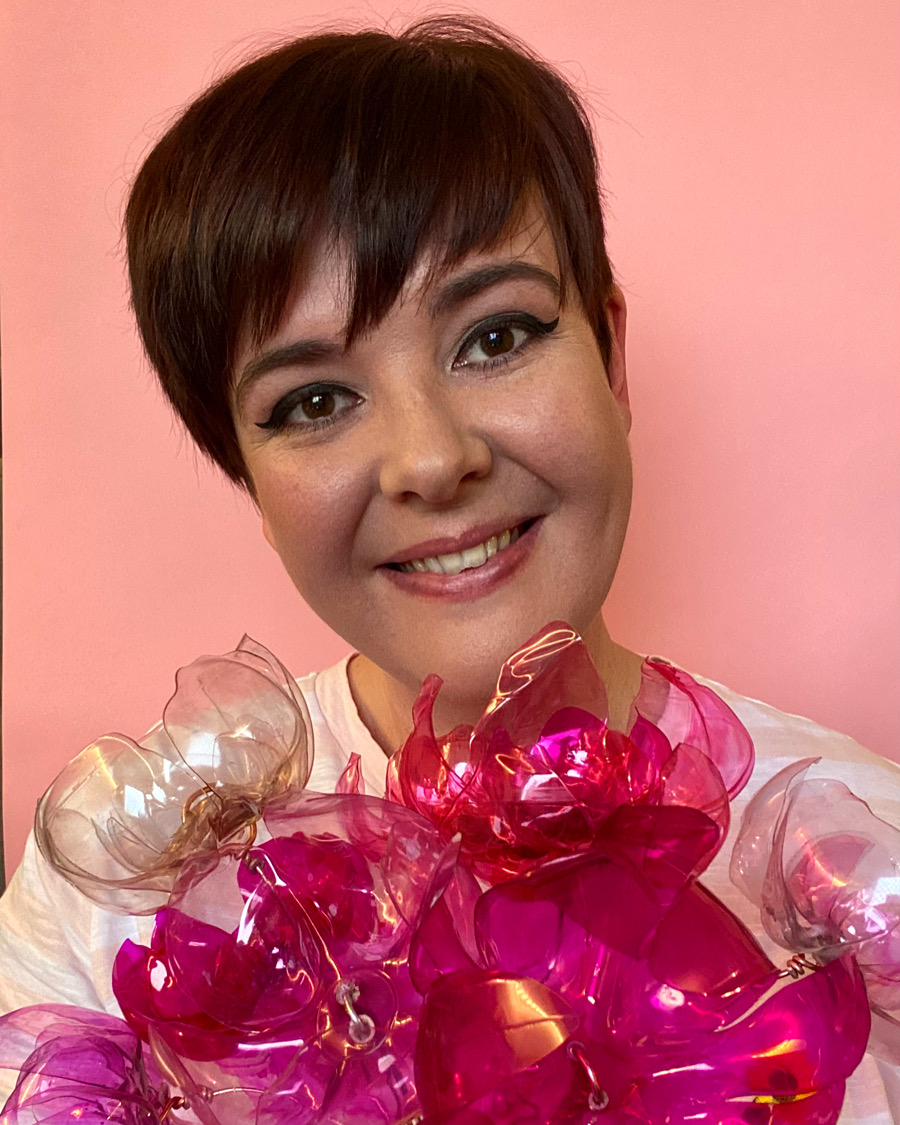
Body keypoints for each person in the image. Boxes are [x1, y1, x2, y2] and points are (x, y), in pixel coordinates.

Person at [1, 15, 898, 1119]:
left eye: (495, 337)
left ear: (611, 357)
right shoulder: (119, 887)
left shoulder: (863, 867)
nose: (432, 459)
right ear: (248, 478)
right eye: (313, 401)